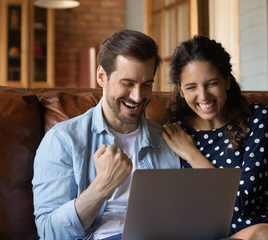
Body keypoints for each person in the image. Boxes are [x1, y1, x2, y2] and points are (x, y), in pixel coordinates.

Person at [162, 35, 268, 240]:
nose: (203, 96)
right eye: (191, 87)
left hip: (261, 221)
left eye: (211, 83)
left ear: (227, 81)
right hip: (217, 234)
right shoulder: (175, 132)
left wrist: (191, 154)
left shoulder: (257, 119)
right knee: (264, 234)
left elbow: (242, 203)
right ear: (180, 90)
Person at [32, 29, 180, 240]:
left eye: (146, 85)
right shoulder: (63, 140)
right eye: (127, 84)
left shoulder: (167, 140)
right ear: (102, 76)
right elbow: (49, 233)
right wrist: (103, 185)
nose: (138, 97)